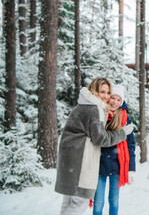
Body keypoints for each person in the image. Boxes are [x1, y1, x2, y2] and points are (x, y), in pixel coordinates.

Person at [55, 78, 134, 215]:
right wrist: (122, 133)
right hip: (81, 162)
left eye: (108, 92)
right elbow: (101, 139)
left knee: (69, 202)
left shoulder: (84, 104)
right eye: (102, 92)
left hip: (71, 160)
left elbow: (130, 145)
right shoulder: (94, 109)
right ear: (94, 90)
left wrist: (131, 168)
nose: (106, 96)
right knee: (79, 203)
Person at [93, 84, 136, 215]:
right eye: (113, 98)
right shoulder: (100, 115)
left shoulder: (124, 119)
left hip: (117, 166)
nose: (115, 102)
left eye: (119, 100)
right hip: (98, 165)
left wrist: (131, 168)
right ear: (108, 98)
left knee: (114, 200)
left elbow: (130, 145)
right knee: (98, 202)